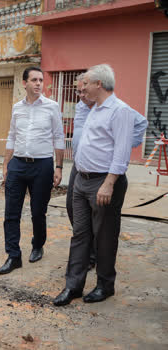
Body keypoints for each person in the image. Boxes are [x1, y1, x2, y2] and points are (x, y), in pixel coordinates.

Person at [53, 64, 148, 306]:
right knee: (80, 235)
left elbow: (121, 152)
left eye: (86, 84)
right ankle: (73, 286)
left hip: (103, 182)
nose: (82, 88)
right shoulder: (94, 108)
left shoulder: (120, 111)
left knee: (105, 237)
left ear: (99, 84)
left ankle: (105, 285)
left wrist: (109, 183)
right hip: (82, 180)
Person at [66, 74, 149, 272]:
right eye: (78, 90)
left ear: (97, 85)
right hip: (80, 167)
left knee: (103, 226)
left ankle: (95, 258)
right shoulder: (82, 106)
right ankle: (86, 254)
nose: (81, 93)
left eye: (84, 88)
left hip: (103, 171)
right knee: (73, 210)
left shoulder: (113, 108)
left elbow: (141, 123)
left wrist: (122, 145)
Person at [0, 66, 65, 275]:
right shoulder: (17, 108)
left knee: (38, 212)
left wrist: (59, 167)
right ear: (24, 83)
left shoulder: (52, 107)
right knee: (11, 213)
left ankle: (38, 245)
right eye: (34, 80)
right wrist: (6, 164)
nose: (38, 84)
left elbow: (59, 137)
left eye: (41, 80)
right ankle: (13, 256)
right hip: (18, 164)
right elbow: (12, 136)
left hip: (42, 165)